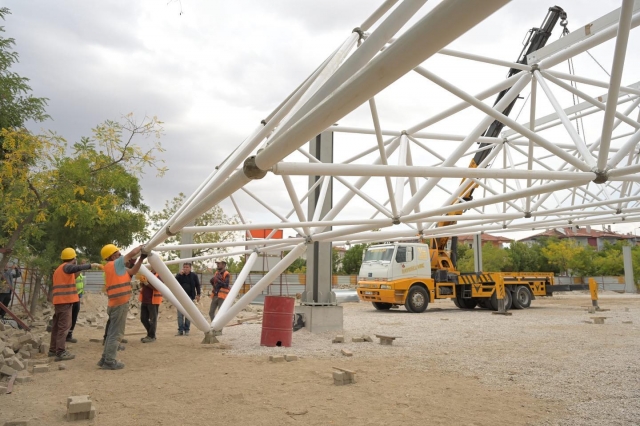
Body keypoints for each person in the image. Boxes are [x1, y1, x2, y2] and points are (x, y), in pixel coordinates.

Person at [97, 244, 143, 370]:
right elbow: (132, 253)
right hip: (119, 304)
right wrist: (142, 247)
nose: (120, 255)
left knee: (112, 333)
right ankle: (110, 361)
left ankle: (105, 358)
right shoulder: (115, 264)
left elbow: (133, 271)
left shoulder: (115, 268)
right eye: (117, 253)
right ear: (112, 256)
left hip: (114, 303)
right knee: (116, 334)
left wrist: (141, 259)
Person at [49, 248, 99, 362]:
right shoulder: (67, 267)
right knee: (63, 327)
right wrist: (90, 265)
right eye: (75, 257)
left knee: (57, 327)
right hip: (64, 301)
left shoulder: (61, 269)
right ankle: (60, 352)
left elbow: (74, 274)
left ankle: (53, 350)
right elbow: (75, 268)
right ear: (73, 258)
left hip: (60, 301)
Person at [174, 262, 200, 336]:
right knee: (180, 314)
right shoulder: (179, 276)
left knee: (188, 314)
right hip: (180, 297)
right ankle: (180, 330)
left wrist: (198, 294)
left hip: (190, 297)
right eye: (184, 267)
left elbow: (197, 285)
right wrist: (179, 275)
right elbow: (174, 282)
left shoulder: (193, 275)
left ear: (190, 268)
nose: (185, 269)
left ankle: (187, 329)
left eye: (187, 267)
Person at [138, 268, 162, 343]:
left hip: (153, 300)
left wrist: (146, 283)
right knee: (143, 318)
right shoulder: (148, 273)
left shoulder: (159, 275)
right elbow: (142, 286)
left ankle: (151, 336)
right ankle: (150, 334)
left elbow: (157, 287)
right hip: (145, 299)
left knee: (153, 319)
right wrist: (142, 282)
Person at [66, 264, 86, 343]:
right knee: (69, 317)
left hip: (77, 296)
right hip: (71, 297)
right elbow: (74, 276)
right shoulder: (70, 272)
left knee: (74, 316)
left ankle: (69, 334)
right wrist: (81, 267)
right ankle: (66, 335)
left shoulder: (78, 273)